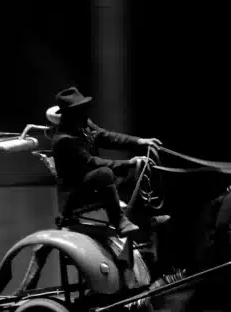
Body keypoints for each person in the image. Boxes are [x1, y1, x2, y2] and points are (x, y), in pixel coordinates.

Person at [47, 87, 162, 237]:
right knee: (104, 173)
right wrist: (128, 163)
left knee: (129, 176)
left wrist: (139, 142)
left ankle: (145, 219)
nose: (85, 111)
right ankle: (119, 221)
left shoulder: (84, 125)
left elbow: (107, 137)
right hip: (75, 192)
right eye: (79, 109)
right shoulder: (64, 140)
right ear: (69, 113)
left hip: (92, 182)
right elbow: (91, 163)